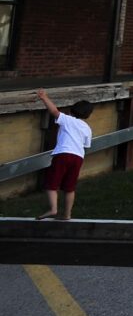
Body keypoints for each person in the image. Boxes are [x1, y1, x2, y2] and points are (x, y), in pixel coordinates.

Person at [35, 89, 93, 221]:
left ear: (72, 111)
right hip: (78, 158)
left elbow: (54, 111)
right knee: (69, 188)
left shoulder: (67, 119)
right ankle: (67, 214)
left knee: (51, 184)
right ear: (88, 115)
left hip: (63, 155)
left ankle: (53, 209)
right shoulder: (87, 128)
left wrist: (44, 97)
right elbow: (86, 145)